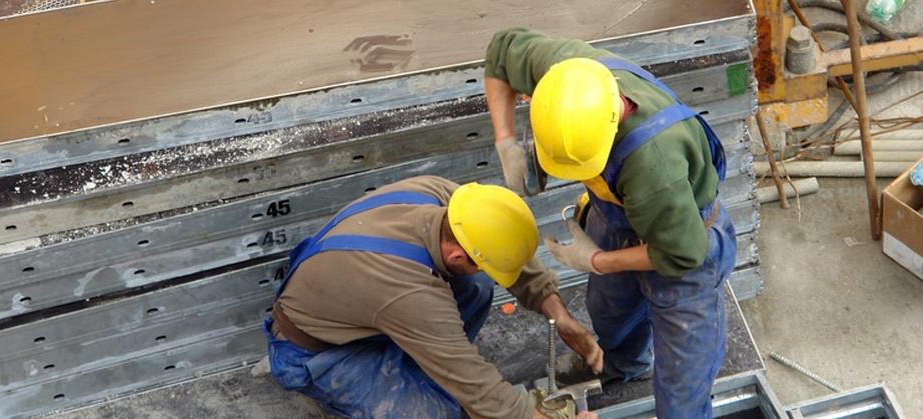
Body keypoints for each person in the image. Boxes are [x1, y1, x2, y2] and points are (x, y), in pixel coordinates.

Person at [484, 28, 737, 418]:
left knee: (682, 392)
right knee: (610, 316)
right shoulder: (567, 72)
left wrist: (597, 260)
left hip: (685, 239)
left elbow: (682, 254)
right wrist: (505, 141)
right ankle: (627, 367)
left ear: (612, 126)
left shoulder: (656, 165)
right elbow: (500, 53)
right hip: (615, 211)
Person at [264, 175, 600, 418]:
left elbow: (504, 245)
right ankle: (349, 390)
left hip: (362, 305)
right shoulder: (409, 293)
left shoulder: (444, 197)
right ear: (457, 257)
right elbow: (474, 385)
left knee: (478, 285)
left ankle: (421, 356)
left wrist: (559, 314)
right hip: (318, 352)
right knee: (444, 412)